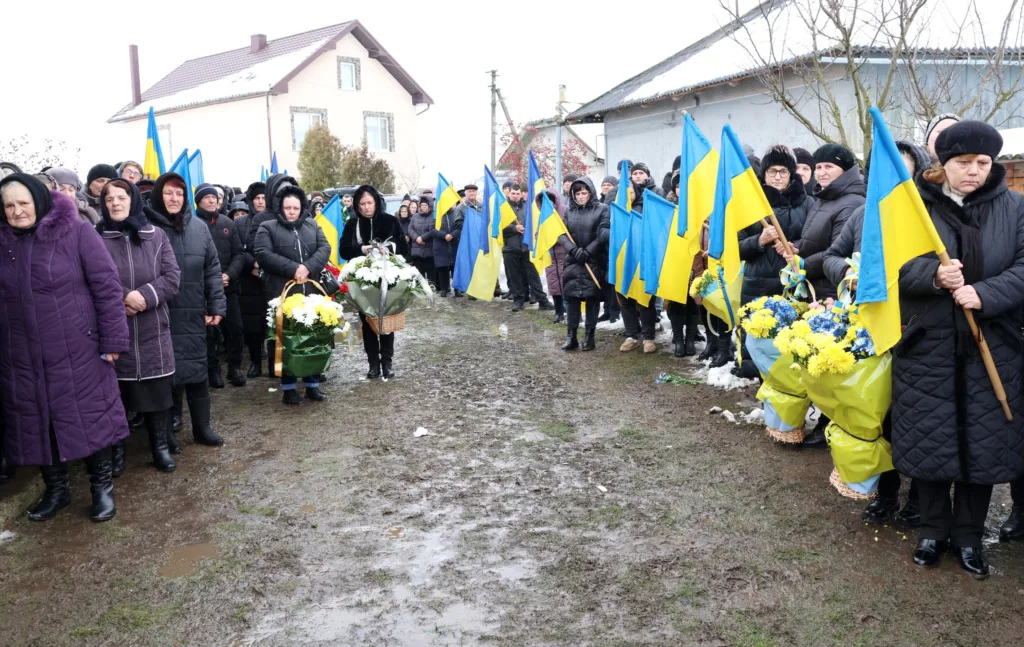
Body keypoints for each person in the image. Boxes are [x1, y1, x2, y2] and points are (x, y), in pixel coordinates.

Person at [894, 121, 1024, 579]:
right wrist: (931, 277)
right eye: (962, 163)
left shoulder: (1016, 208)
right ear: (942, 165)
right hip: (927, 346)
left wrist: (984, 293)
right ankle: (932, 530)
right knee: (931, 440)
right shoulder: (913, 208)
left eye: (982, 163)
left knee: (981, 444)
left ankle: (969, 537)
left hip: (993, 346)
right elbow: (890, 268)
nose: (973, 171)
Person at [0, 174, 130, 522]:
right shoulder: (2, 241)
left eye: (23, 203)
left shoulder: (75, 230)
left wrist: (113, 339)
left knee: (92, 417)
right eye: (9, 205)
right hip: (20, 355)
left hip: (78, 348)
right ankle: (56, 490)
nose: (17, 211)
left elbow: (106, 285)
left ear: (39, 201)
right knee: (36, 422)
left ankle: (101, 487)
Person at [783, 143, 866, 446]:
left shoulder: (852, 202)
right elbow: (814, 241)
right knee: (817, 360)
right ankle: (822, 417)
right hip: (818, 288)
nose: (821, 172)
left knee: (832, 362)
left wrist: (805, 263)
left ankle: (830, 423)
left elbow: (838, 252)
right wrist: (796, 249)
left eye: (828, 166)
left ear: (846, 170)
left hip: (835, 291)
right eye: (818, 167)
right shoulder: (823, 199)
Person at [97, 179, 180, 474]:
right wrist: (122, 300)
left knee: (156, 396)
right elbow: (90, 279)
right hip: (114, 329)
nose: (116, 203)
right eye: (110, 199)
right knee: (116, 398)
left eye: (122, 197)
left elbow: (172, 277)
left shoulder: (155, 236)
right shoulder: (96, 238)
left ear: (133, 200)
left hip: (152, 329)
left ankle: (159, 447)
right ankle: (116, 453)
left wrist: (143, 297)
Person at [146, 172, 226, 449]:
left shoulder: (199, 228)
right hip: (160, 314)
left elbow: (213, 268)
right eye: (168, 193)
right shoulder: (146, 228)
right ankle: (167, 435)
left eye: (179, 193)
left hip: (194, 311)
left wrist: (216, 304)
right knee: (165, 377)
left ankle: (202, 428)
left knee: (197, 371)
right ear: (158, 195)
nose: (174, 198)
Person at [254, 183, 331, 405]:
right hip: (282, 292)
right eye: (287, 207)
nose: (291, 212)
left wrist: (307, 267)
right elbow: (263, 254)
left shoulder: (312, 225)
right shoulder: (267, 227)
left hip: (310, 292)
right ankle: (288, 388)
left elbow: (324, 249)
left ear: (301, 208)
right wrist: (292, 268)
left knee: (312, 337)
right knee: (286, 339)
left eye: (295, 208)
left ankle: (312, 385)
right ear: (280, 207)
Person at [339, 185, 411, 379]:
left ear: (376, 202)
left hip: (388, 276)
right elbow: (343, 251)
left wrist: (388, 248)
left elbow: (404, 248)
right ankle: (373, 364)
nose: (366, 207)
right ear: (357, 205)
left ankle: (387, 362)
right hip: (362, 280)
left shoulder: (390, 221)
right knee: (368, 321)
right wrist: (362, 249)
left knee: (386, 319)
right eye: (362, 204)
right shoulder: (351, 224)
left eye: (370, 203)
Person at [245, 174, 302, 377]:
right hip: (274, 280)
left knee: (304, 322)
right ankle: (275, 366)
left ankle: (306, 364)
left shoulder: (302, 215)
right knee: (276, 326)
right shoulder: (262, 219)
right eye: (280, 191)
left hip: (300, 279)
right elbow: (255, 247)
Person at [194, 184, 246, 388]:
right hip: (203, 289)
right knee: (209, 332)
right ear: (198, 201)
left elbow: (239, 254)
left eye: (214, 197)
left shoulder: (227, 223)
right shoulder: (193, 224)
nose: (211, 200)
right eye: (206, 197)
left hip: (228, 285)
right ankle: (213, 370)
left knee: (235, 328)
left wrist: (229, 275)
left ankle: (234, 368)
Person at [558, 178, 609, 351]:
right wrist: (573, 250)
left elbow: (603, 233)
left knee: (592, 298)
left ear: (591, 192)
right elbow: (562, 234)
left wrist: (587, 251)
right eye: (577, 193)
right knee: (572, 298)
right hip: (573, 261)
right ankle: (571, 336)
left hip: (593, 260)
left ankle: (589, 336)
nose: (580, 197)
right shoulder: (568, 211)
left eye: (584, 193)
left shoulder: (602, 209)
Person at [665, 172, 710, 358]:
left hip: (697, 266)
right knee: (675, 304)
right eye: (678, 187)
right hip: (675, 266)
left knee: (693, 304)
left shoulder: (702, 212)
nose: (682, 190)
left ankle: (690, 339)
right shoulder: (668, 212)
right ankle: (678, 340)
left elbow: (709, 236)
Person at [503, 183, 553, 312]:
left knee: (533, 274)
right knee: (514, 276)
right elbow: (498, 227)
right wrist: (514, 228)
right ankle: (518, 300)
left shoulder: (527, 207)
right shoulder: (503, 208)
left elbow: (534, 222)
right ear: (509, 193)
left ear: (521, 194)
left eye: (518, 193)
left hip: (526, 247)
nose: (515, 196)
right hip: (510, 247)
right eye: (513, 193)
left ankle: (542, 300)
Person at [432, 196, 461, 297]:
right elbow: (432, 229)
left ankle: (457, 289)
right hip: (441, 245)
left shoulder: (455, 213)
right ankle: (444, 289)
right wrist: (444, 236)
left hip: (453, 244)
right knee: (443, 268)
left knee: (455, 268)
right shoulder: (436, 214)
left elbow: (460, 227)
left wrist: (452, 235)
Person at [407, 198, 436, 284]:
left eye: (425, 205)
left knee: (431, 271)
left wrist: (423, 238)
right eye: (422, 205)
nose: (423, 207)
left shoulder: (433, 216)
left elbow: (433, 230)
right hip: (417, 248)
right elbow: (410, 228)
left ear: (429, 206)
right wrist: (417, 238)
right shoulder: (415, 216)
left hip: (429, 247)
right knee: (419, 271)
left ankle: (432, 286)